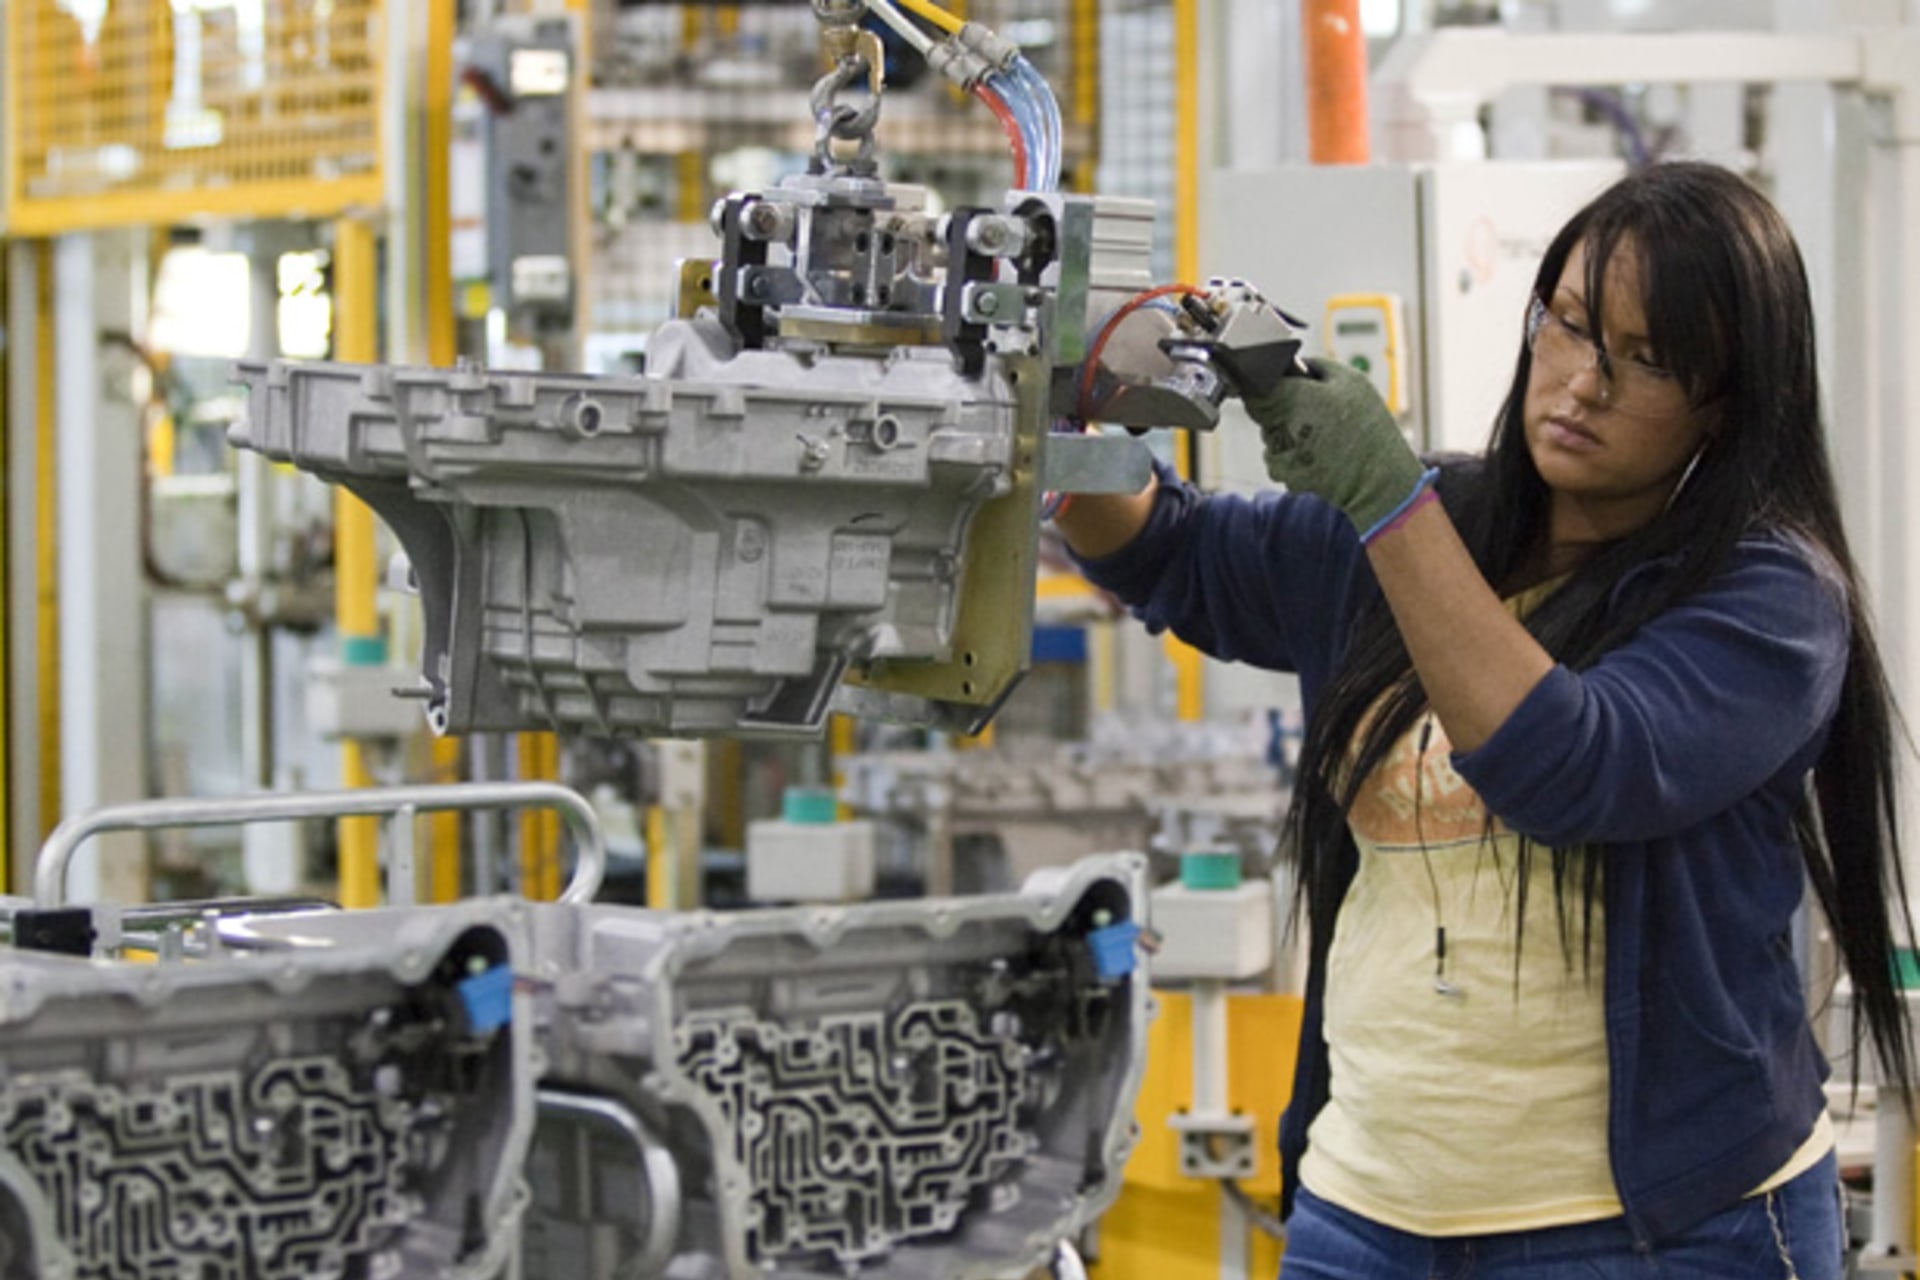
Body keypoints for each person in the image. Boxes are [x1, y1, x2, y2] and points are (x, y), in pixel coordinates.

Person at [1054, 160, 1914, 1278]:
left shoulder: (1771, 600)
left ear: (1735, 399)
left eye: (1648, 360)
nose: (1583, 382)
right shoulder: (1428, 521)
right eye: (1565, 326)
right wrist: (1054, 409)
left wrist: (1381, 499)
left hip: (1656, 1232)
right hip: (1366, 1209)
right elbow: (1169, 547)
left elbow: (1569, 763)